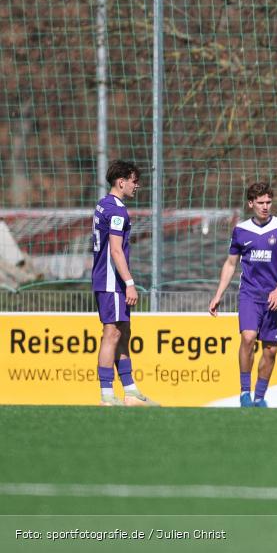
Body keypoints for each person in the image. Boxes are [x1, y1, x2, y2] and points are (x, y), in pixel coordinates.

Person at [209, 182, 277, 408]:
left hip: (274, 297)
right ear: (251, 204)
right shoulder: (240, 230)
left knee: (270, 350)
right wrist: (218, 294)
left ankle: (259, 397)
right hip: (249, 295)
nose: (265, 206)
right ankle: (244, 393)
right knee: (248, 338)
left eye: (268, 202)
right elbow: (230, 264)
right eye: (260, 203)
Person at [92, 160, 157, 407]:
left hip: (106, 279)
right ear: (122, 182)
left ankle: (130, 390)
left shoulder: (102, 205)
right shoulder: (118, 211)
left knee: (124, 331)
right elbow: (116, 251)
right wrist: (129, 283)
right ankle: (107, 394)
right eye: (134, 181)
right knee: (112, 333)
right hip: (112, 282)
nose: (136, 186)